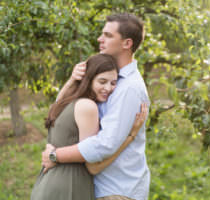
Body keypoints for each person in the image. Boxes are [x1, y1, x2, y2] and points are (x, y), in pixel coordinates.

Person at [42, 13, 150, 200]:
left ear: (127, 43)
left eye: (108, 35)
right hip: (97, 188)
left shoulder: (129, 88)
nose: (100, 39)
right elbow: (60, 113)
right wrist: (72, 81)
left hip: (117, 191)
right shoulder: (107, 78)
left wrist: (55, 155)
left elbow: (105, 144)